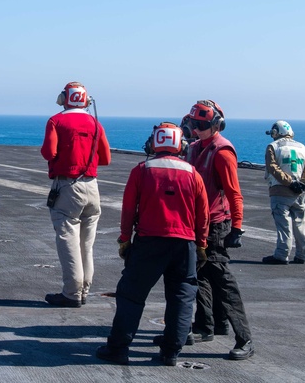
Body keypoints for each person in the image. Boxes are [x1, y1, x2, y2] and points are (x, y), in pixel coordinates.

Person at [96, 122, 208, 367]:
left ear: (153, 143)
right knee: (181, 298)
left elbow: (128, 209)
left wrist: (125, 239)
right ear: (181, 145)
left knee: (131, 296)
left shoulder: (142, 170)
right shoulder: (193, 173)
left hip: (148, 242)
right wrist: (201, 244)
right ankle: (171, 353)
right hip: (184, 244)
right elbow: (203, 214)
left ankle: (118, 348)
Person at [185, 99, 255, 360]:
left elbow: (234, 193)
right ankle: (206, 326)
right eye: (194, 123)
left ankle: (244, 338)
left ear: (216, 124)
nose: (196, 128)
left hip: (216, 225)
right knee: (199, 276)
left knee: (224, 282)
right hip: (196, 224)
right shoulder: (195, 148)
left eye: (202, 124)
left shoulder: (222, 151)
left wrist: (236, 226)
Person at [40, 81, 111, 308]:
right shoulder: (95, 123)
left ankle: (71, 293)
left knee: (68, 239)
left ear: (64, 98)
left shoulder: (56, 121)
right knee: (86, 244)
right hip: (92, 186)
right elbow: (106, 158)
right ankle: (84, 291)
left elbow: (48, 152)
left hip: (68, 186)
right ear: (86, 100)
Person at [263, 120, 305, 264]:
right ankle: (303, 254)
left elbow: (272, 167)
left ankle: (281, 255)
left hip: (279, 191)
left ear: (275, 132)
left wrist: (289, 182)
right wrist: (301, 184)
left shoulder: (273, 147)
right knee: (300, 223)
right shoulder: (303, 148)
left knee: (284, 225)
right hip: (299, 193)